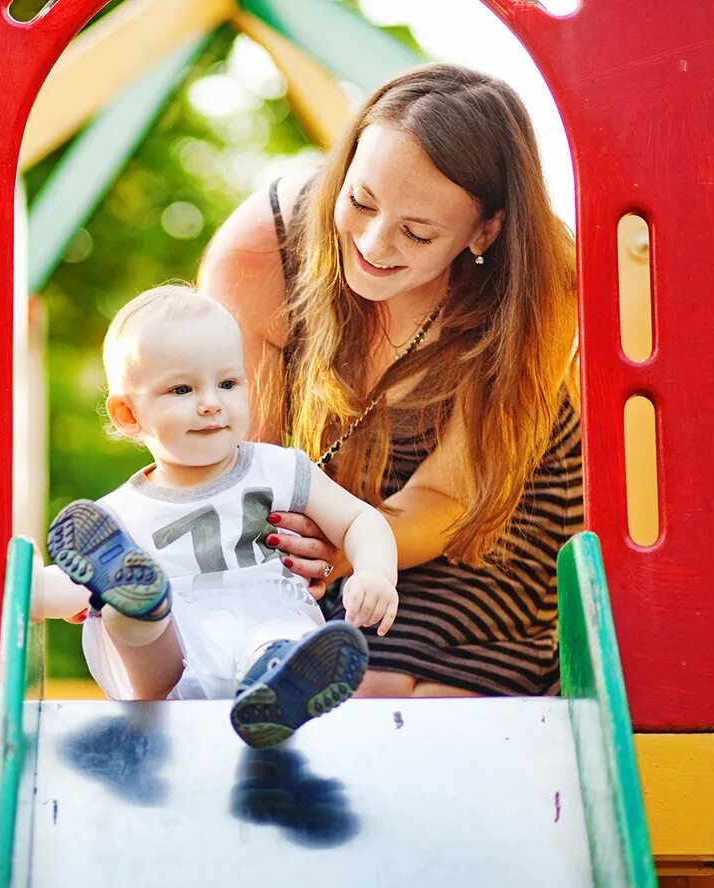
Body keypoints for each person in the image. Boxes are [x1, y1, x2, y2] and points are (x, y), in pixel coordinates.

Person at [198, 62, 581, 698]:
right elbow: (248, 462)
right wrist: (299, 544)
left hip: (494, 512)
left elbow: (450, 500)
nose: (374, 243)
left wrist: (349, 547)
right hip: (335, 505)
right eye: (361, 201)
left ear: (485, 231)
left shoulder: (541, 282)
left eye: (418, 232)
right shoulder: (261, 251)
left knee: (393, 689)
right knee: (311, 670)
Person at [35, 283, 398, 749]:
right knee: (122, 610)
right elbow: (68, 588)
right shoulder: (119, 515)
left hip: (263, 618)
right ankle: (135, 604)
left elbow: (358, 521)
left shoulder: (279, 469)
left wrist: (375, 572)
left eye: (227, 383)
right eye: (182, 388)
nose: (211, 401)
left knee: (279, 637)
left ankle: (279, 688)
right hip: (166, 672)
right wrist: (19, 595)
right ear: (129, 414)